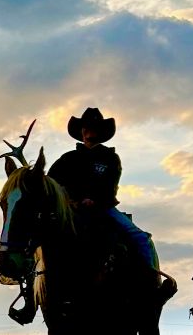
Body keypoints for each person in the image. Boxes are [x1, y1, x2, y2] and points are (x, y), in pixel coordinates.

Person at [47, 107, 168, 292]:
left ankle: (150, 284)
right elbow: (51, 183)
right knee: (41, 237)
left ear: (101, 132)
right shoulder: (67, 159)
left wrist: (94, 201)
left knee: (140, 237)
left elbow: (111, 186)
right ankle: (31, 294)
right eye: (86, 128)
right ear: (81, 131)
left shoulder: (110, 158)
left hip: (103, 208)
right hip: (70, 209)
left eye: (94, 128)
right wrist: (70, 200)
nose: (89, 131)